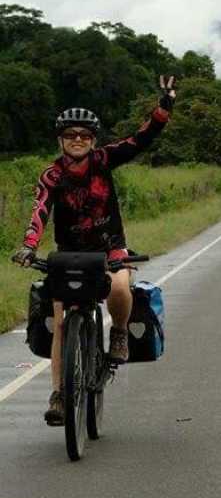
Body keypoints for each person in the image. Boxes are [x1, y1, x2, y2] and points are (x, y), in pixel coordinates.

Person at [12, 75, 177, 426]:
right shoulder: (52, 175)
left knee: (119, 287)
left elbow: (141, 139)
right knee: (59, 322)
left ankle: (118, 333)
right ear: (60, 139)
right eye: (71, 135)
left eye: (84, 135)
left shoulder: (104, 160)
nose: (78, 141)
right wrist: (28, 247)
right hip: (69, 255)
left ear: (93, 140)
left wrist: (164, 107)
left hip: (110, 249)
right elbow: (40, 211)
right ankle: (59, 393)